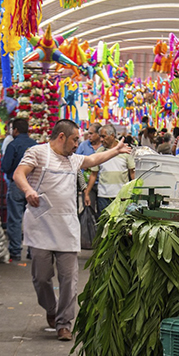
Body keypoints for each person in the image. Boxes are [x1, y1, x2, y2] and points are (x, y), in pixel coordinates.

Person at [13, 119, 132, 341]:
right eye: (75, 139)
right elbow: (19, 173)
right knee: (41, 277)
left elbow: (94, 159)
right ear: (61, 137)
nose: (78, 143)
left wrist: (116, 151)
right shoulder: (37, 153)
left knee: (70, 278)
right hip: (40, 227)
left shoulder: (74, 160)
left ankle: (64, 323)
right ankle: (51, 308)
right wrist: (28, 190)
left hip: (67, 227)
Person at [1, 118, 37, 262]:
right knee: (33, 218)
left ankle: (15, 251)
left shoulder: (13, 145)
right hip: (33, 185)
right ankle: (32, 250)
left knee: (15, 219)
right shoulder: (35, 145)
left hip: (16, 185)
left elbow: (5, 166)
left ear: (15, 130)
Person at [85, 124, 136, 213]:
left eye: (104, 137)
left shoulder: (125, 150)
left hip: (121, 196)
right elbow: (94, 174)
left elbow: (132, 173)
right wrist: (87, 193)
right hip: (103, 196)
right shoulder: (100, 152)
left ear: (112, 135)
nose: (101, 140)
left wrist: (137, 190)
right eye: (100, 137)